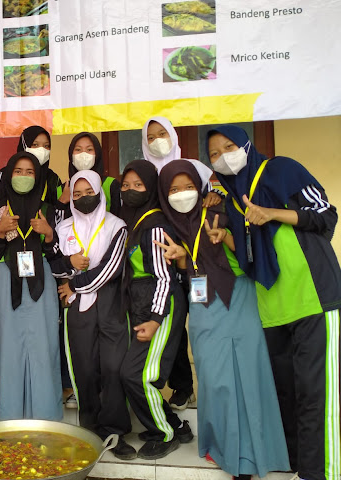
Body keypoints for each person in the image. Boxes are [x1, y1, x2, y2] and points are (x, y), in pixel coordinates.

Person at [207, 125, 341, 480]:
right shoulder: (234, 201)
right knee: (287, 393)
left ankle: (321, 472)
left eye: (229, 147)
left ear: (246, 146)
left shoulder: (282, 169)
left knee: (316, 394)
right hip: (272, 309)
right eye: (214, 154)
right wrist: (226, 238)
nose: (223, 157)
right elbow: (249, 261)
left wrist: (272, 213)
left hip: (313, 299)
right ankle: (296, 462)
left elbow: (326, 216)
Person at [155, 160, 290, 480]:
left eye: (189, 187)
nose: (182, 194)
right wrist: (183, 258)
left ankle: (250, 455)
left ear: (201, 187)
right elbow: (195, 265)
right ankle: (221, 444)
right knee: (213, 379)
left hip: (237, 299)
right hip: (203, 306)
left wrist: (226, 234)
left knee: (247, 376)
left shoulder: (221, 210)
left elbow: (251, 256)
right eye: (174, 189)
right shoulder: (174, 223)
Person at [50, 170, 135, 460]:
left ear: (100, 193)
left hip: (110, 303)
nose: (83, 198)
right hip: (77, 308)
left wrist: (74, 284)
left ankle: (115, 430)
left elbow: (110, 269)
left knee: (113, 367)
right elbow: (54, 266)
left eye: (89, 193)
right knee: (84, 370)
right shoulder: (63, 228)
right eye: (77, 194)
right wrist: (69, 264)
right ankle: (90, 431)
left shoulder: (116, 226)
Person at [141, 115, 219, 410]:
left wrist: (215, 196)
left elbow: (214, 195)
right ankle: (183, 386)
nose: (157, 141)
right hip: (163, 258)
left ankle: (213, 385)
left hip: (198, 259)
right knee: (174, 325)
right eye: (150, 137)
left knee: (204, 320)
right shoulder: (147, 173)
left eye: (162, 133)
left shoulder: (194, 167)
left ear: (173, 135)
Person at [118, 160, 193, 460]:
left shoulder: (155, 225)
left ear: (150, 188)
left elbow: (164, 277)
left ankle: (165, 434)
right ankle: (175, 425)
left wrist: (155, 319)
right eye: (126, 185)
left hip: (161, 306)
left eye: (138, 185)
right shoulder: (134, 221)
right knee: (133, 373)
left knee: (137, 375)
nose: (130, 190)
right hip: (144, 303)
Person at [0, 151, 62, 421]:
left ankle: (46, 420)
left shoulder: (50, 211)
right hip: (7, 281)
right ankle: (12, 421)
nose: (24, 176)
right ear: (9, 175)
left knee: (44, 348)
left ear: (38, 176)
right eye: (18, 171)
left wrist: (49, 234)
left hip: (42, 281)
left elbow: (59, 255)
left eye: (30, 172)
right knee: (10, 351)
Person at [57, 132, 121, 217]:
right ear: (71, 155)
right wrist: (62, 201)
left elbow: (118, 217)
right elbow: (56, 221)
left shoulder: (111, 185)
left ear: (97, 154)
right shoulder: (61, 190)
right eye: (78, 150)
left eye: (89, 149)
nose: (83, 154)